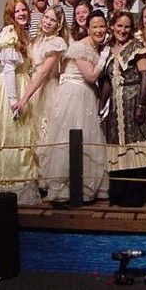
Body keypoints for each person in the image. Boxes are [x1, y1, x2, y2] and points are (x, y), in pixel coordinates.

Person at [43, 10, 109, 203]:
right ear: (87, 28)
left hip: (87, 95)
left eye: (102, 26)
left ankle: (86, 187)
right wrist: (104, 57)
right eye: (95, 27)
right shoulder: (80, 47)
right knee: (70, 138)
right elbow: (91, 76)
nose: (99, 30)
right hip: (74, 96)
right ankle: (63, 188)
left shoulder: (97, 47)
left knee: (88, 139)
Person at [0, 0, 40, 205]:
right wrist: (13, 101)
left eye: (24, 10)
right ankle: (8, 188)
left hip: (23, 82)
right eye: (17, 11)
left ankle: (23, 188)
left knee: (23, 137)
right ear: (11, 15)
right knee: (12, 136)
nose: (22, 13)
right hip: (13, 86)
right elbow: (9, 70)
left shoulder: (22, 33)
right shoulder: (10, 32)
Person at [11, 5, 68, 195]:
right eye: (46, 17)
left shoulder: (57, 42)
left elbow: (43, 72)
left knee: (46, 134)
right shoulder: (36, 39)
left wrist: (24, 98)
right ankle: (36, 178)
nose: (48, 22)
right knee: (33, 134)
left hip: (46, 89)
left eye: (53, 20)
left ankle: (49, 181)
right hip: (32, 85)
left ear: (58, 25)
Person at [99, 11, 146, 207]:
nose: (122, 30)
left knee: (135, 144)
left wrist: (141, 105)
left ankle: (135, 195)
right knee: (117, 144)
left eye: (127, 26)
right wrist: (101, 105)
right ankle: (119, 193)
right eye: (119, 26)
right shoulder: (108, 49)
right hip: (115, 105)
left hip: (133, 102)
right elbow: (107, 81)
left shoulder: (136, 47)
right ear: (112, 26)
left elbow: (144, 77)